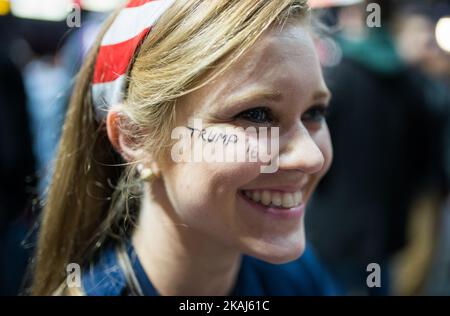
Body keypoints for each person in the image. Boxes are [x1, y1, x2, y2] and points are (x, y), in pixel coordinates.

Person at [31, 0, 339, 296]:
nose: (310, 157)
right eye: (256, 115)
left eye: (314, 113)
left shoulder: (296, 275)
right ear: (136, 137)